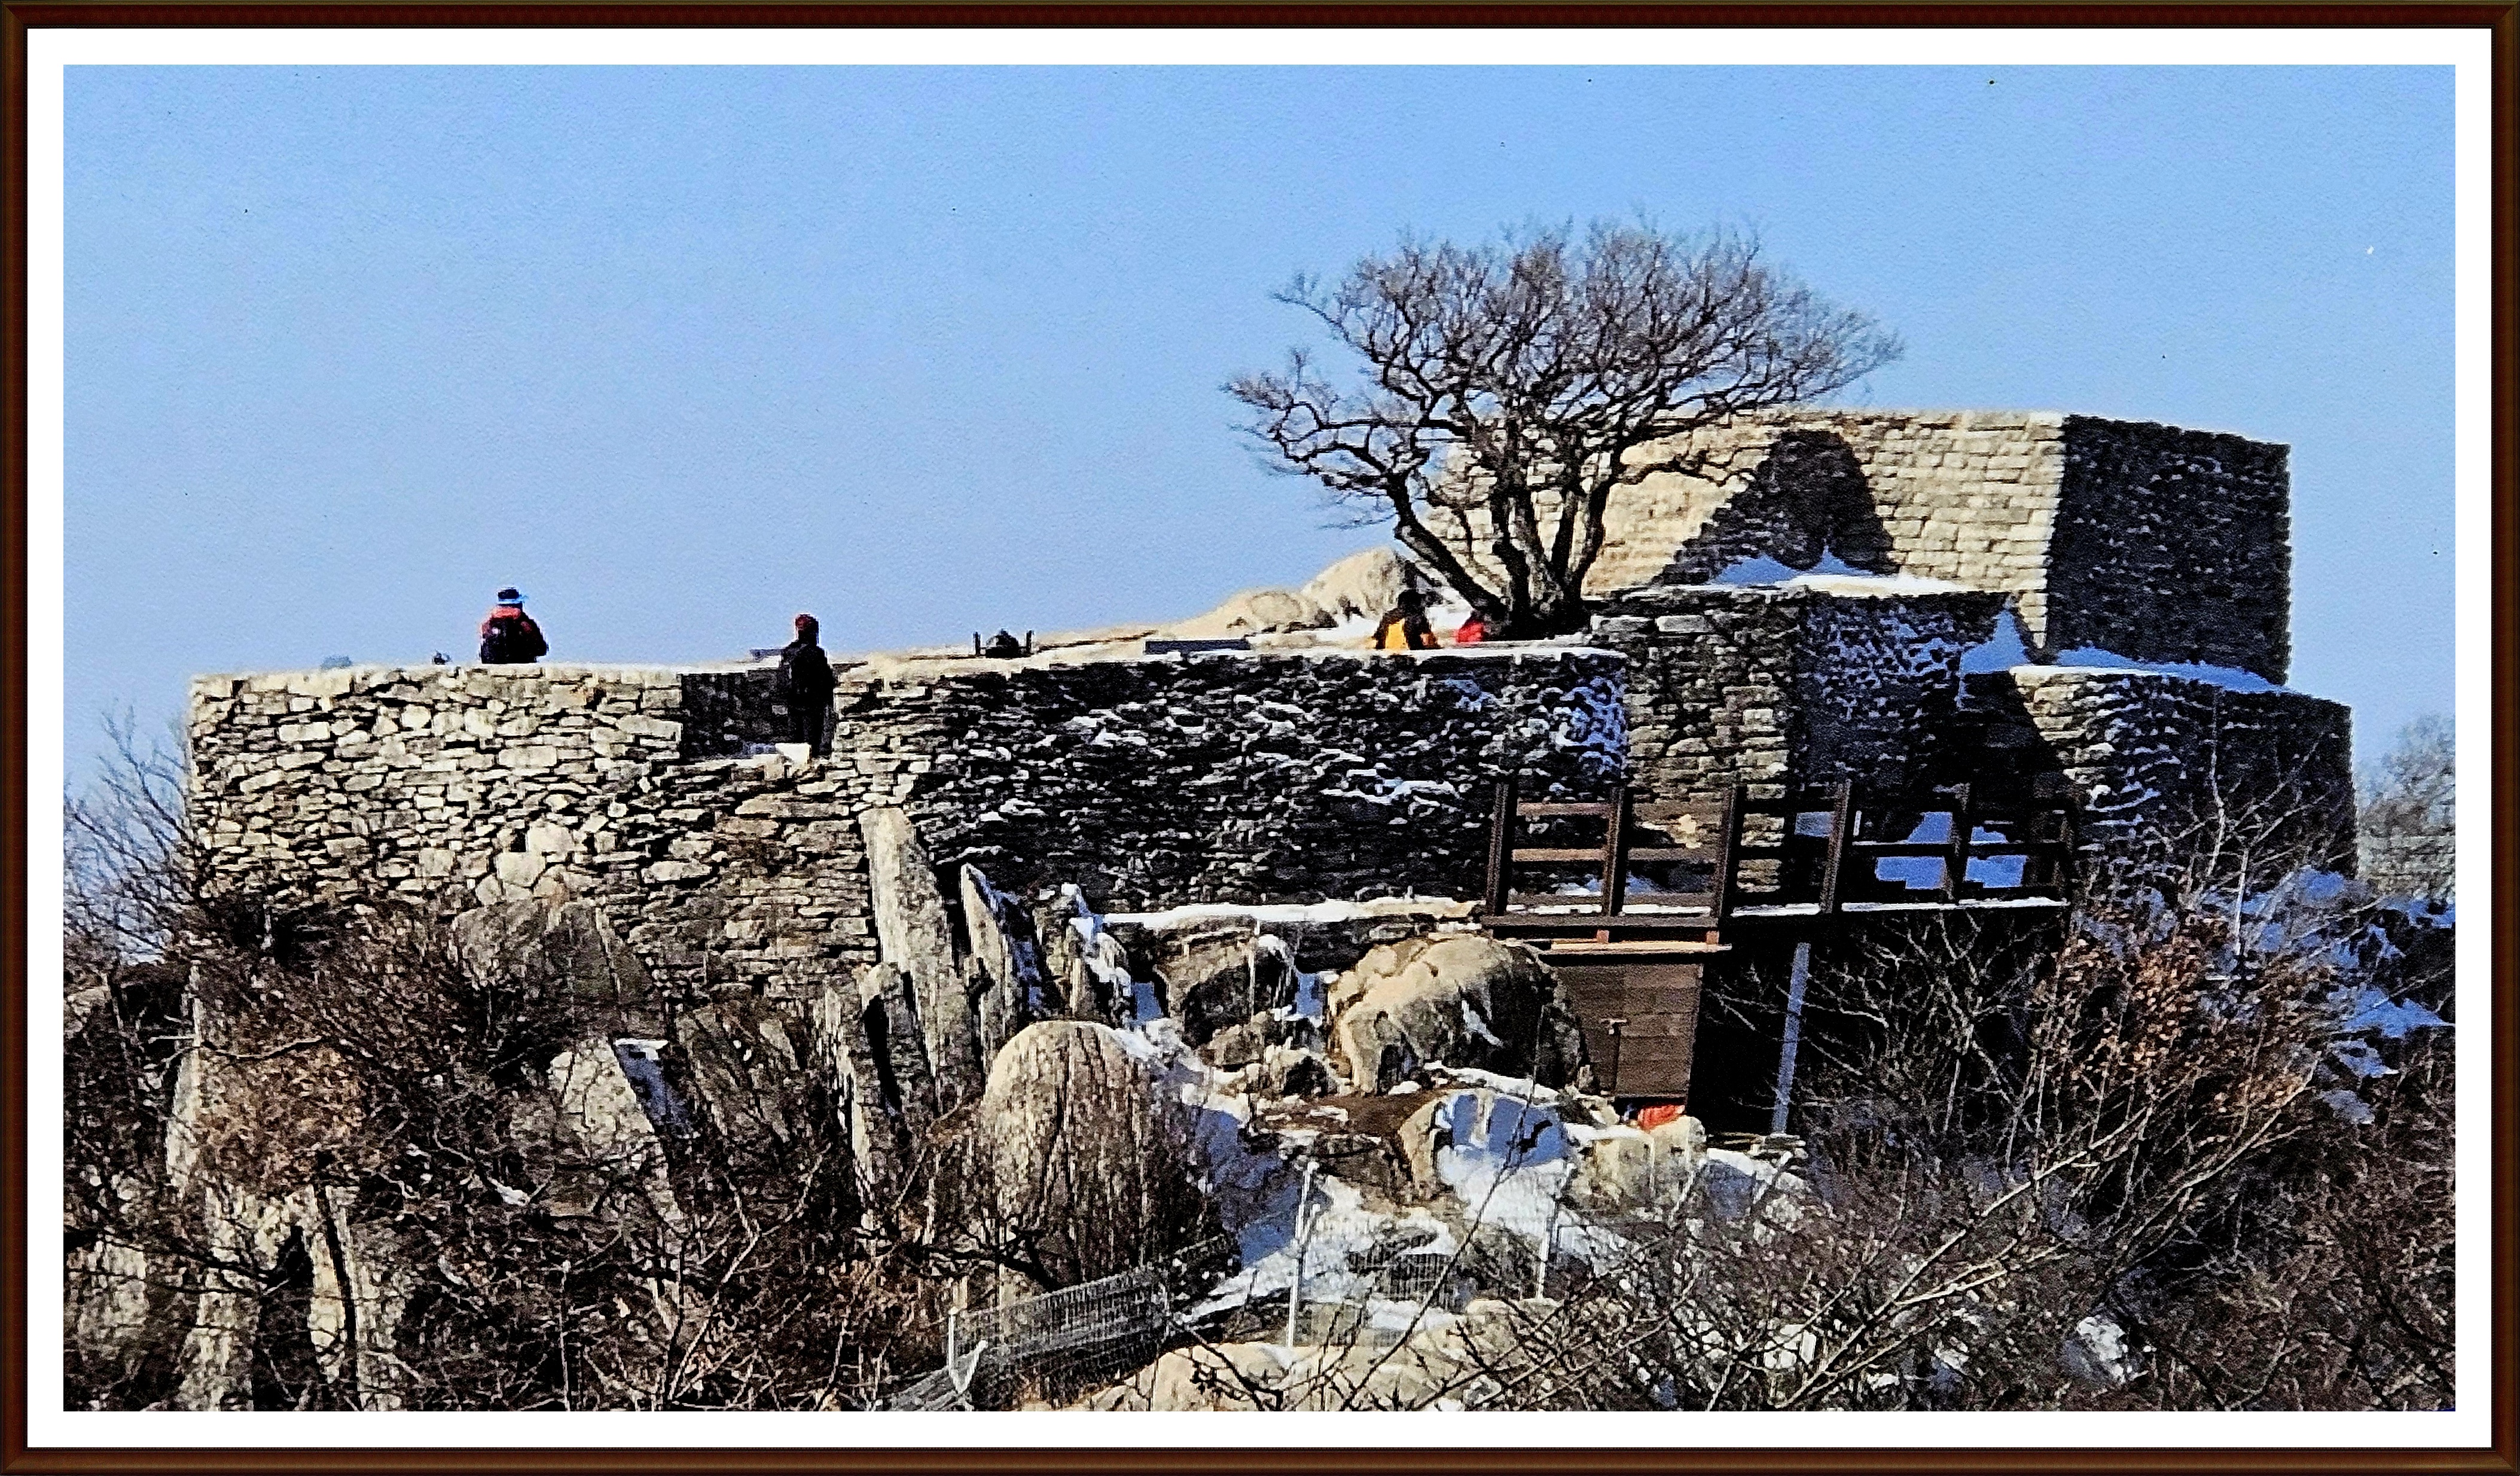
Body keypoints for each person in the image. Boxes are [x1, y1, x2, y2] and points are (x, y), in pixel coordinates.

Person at [776, 613, 837, 758]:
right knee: (812, 741)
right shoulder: (815, 653)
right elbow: (826, 679)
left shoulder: (788, 651)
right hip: (812, 703)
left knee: (795, 741)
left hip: (792, 702)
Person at [478, 588, 548, 664]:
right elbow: (541, 650)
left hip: (492, 665)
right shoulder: (525, 624)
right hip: (521, 665)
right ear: (518, 604)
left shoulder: (488, 624)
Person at [1372, 588, 1436, 651]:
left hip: (1413, 608)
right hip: (1410, 606)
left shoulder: (1414, 616)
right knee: (1411, 623)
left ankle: (1380, 642)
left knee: (1412, 624)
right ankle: (1380, 642)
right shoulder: (1407, 599)